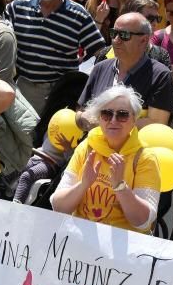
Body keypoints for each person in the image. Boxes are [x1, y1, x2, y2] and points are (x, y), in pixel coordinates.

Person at [51, 85, 161, 233]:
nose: (113, 120)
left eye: (122, 115)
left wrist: (120, 187)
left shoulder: (145, 158)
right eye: (107, 114)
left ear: (134, 120)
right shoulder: (87, 147)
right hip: (78, 242)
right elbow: (58, 207)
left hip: (122, 249)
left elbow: (143, 221)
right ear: (99, 118)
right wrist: (83, 184)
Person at [5, 0, 106, 115]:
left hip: (60, 93)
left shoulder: (78, 15)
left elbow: (100, 52)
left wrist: (92, 88)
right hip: (24, 90)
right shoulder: (16, 9)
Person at [79, 12, 173, 126]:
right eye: (114, 33)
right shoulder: (99, 68)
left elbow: (157, 123)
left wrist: (105, 124)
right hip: (94, 141)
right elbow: (81, 111)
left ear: (144, 40)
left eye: (124, 35)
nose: (116, 40)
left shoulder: (160, 75)